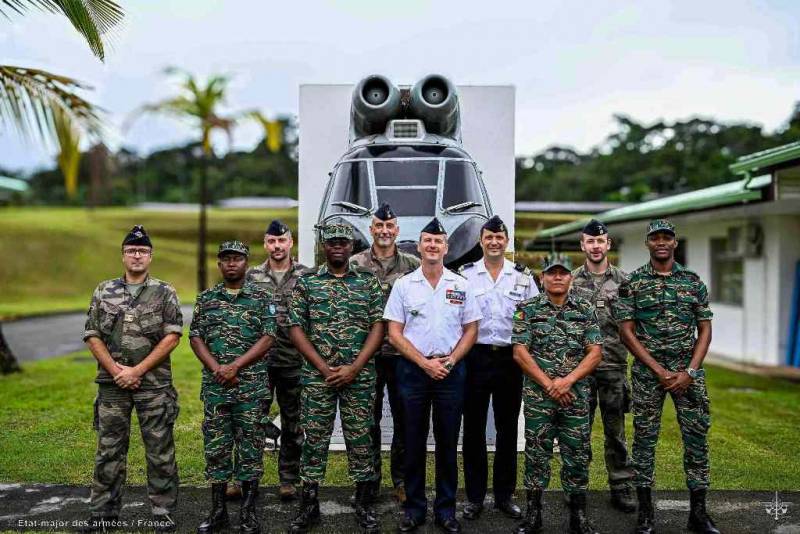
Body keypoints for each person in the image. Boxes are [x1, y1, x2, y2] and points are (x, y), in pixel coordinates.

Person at [616, 219, 719, 534]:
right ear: (648, 244)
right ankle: (646, 515)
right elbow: (626, 331)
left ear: (675, 243)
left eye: (667, 238)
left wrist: (689, 371)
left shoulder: (692, 281)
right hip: (649, 375)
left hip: (688, 374)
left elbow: (705, 328)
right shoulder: (632, 283)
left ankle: (698, 515)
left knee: (696, 440)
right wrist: (658, 370)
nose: (661, 242)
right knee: (644, 442)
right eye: (655, 238)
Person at [384, 217, 482, 534]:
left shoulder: (461, 285)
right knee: (412, 443)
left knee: (447, 443)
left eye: (438, 241)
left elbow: (471, 329)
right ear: (419, 245)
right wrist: (425, 364)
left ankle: (445, 510)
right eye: (427, 240)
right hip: (413, 371)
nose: (432, 246)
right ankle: (414, 510)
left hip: (451, 373)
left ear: (446, 247)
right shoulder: (403, 285)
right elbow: (394, 334)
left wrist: (451, 360)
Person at [81, 225, 182, 533]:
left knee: (160, 451)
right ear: (123, 256)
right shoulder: (103, 290)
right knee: (108, 451)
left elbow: (173, 336)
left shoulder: (165, 292)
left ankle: (162, 514)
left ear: (150, 256)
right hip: (112, 386)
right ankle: (103, 515)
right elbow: (91, 334)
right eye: (131, 251)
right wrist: (116, 371)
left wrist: (136, 372)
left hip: (154, 387)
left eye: (142, 251)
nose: (137, 255)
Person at [287, 223, 385, 534]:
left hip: (359, 376)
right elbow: (295, 329)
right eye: (332, 243)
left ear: (351, 246)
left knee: (361, 440)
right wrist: (323, 368)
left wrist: (354, 368)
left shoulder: (368, 283)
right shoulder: (306, 283)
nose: (338, 247)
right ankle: (309, 504)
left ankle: (363, 503)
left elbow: (378, 327)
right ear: (324, 246)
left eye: (343, 242)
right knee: (314, 439)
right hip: (318, 378)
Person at [190, 241, 278, 534]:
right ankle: (218, 512)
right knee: (216, 448)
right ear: (219, 264)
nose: (231, 264)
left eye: (237, 259)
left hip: (250, 387)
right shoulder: (206, 298)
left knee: (250, 447)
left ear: (246, 262)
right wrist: (217, 369)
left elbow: (268, 337)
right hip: (216, 388)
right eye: (226, 259)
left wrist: (235, 366)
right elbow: (195, 336)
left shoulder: (261, 297)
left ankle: (248, 512)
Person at [511, 255, 601, 534]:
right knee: (537, 454)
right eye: (552, 273)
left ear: (570, 278)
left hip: (575, 397)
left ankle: (579, 517)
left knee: (576, 455)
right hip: (540, 398)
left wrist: (568, 381)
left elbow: (595, 352)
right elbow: (519, 352)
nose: (558, 277)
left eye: (563, 273)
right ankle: (533, 516)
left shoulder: (585, 309)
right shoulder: (526, 309)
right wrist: (551, 385)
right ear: (542, 278)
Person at [458, 215, 538, 521]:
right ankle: (475, 498)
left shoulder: (522, 278)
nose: (494, 242)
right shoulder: (465, 276)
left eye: (499, 237)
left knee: (507, 430)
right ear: (481, 241)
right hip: (475, 358)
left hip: (509, 360)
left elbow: (533, 319)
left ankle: (505, 496)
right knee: (474, 430)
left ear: (506, 242)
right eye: (488, 237)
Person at [350, 202, 420, 503]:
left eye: (389, 226)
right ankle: (368, 483)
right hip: (366, 356)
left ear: (397, 230)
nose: (384, 231)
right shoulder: (355, 264)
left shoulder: (412, 265)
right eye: (379, 225)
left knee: (404, 421)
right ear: (371, 229)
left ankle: (401, 482)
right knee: (367, 421)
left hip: (401, 355)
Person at [570, 219, 636, 512]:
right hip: (581, 371)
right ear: (582, 245)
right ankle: (576, 487)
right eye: (590, 241)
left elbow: (635, 327)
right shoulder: (570, 281)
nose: (595, 246)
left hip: (613, 369)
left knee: (615, 433)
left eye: (600, 241)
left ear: (608, 244)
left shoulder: (625, 282)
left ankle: (621, 487)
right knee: (578, 433)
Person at [246, 220, 309, 501]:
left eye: (282, 241)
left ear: (291, 242)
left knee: (293, 422)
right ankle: (248, 477)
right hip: (260, 363)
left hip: (294, 362)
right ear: (265, 244)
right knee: (252, 421)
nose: (277, 246)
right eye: (272, 242)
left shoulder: (307, 275)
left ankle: (288, 478)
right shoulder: (252, 277)